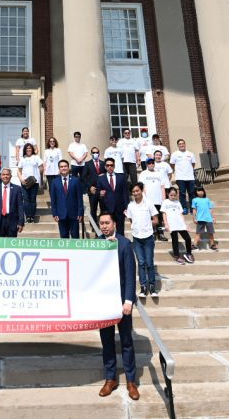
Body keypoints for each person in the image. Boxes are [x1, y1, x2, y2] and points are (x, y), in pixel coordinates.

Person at [97, 211, 139, 402]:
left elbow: (130, 274)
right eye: (101, 223)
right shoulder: (94, 244)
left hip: (122, 302)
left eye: (107, 223)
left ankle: (131, 381)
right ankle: (110, 378)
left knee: (126, 342)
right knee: (106, 342)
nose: (104, 226)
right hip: (103, 302)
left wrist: (128, 301)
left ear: (114, 224)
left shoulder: (124, 244)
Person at [125, 183, 158, 298]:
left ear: (142, 190)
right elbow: (130, 219)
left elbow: (155, 219)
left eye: (137, 190)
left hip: (148, 237)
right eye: (133, 191)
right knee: (141, 262)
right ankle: (143, 287)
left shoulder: (148, 203)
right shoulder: (130, 206)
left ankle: (153, 286)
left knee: (149, 262)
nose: (135, 193)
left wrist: (148, 223)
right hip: (137, 238)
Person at [49, 160, 85, 239]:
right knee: (64, 237)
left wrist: (80, 212)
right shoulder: (54, 182)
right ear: (59, 169)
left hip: (74, 214)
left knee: (75, 236)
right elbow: (53, 199)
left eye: (65, 166)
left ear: (68, 168)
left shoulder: (76, 180)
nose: (64, 168)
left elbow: (79, 198)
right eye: (61, 167)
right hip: (61, 214)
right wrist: (54, 213)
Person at [0, 167, 25, 238]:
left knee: (11, 244)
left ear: (11, 176)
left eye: (7, 174)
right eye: (3, 174)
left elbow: (20, 206)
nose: (5, 176)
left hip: (12, 221)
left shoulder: (17, 189)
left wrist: (21, 222)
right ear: (0, 176)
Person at [161, 187, 194, 264]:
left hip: (180, 224)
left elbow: (181, 214)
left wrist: (185, 224)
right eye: (171, 195)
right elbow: (164, 214)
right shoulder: (165, 202)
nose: (173, 197)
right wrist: (166, 224)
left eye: (174, 195)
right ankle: (177, 256)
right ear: (167, 194)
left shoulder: (178, 203)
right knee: (175, 240)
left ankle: (188, 253)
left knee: (188, 239)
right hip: (172, 224)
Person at [138, 157, 168, 242]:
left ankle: (160, 233)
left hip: (158, 200)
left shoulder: (159, 174)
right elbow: (141, 187)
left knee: (160, 218)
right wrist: (144, 198)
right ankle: (152, 233)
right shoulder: (143, 173)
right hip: (148, 200)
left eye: (152, 163)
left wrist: (164, 199)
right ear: (146, 164)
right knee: (150, 218)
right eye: (149, 163)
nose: (151, 164)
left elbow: (162, 187)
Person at [97, 158, 129, 236]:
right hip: (106, 209)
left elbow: (125, 193)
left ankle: (120, 246)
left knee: (120, 230)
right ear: (105, 167)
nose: (109, 167)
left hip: (119, 208)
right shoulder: (101, 179)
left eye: (111, 165)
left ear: (114, 166)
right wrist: (99, 193)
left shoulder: (121, 177)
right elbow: (97, 193)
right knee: (107, 230)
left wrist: (127, 207)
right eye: (107, 165)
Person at [18, 142, 43, 224]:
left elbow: (41, 168)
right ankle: (27, 216)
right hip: (24, 182)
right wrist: (21, 179)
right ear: (25, 150)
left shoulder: (36, 158)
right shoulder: (22, 159)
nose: (28, 149)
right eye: (27, 148)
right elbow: (19, 171)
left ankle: (32, 216)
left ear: (32, 149)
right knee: (26, 199)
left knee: (32, 199)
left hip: (34, 182)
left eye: (30, 148)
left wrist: (38, 178)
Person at [169, 139, 196, 215]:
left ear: (185, 144)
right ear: (178, 145)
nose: (181, 145)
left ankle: (192, 209)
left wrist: (189, 171)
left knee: (191, 193)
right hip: (180, 177)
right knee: (182, 193)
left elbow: (193, 164)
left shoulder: (190, 154)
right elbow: (172, 164)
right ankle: (184, 208)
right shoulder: (175, 154)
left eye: (182, 143)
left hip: (190, 177)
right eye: (180, 144)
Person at [83, 147, 106, 222]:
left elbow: (107, 175)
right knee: (93, 209)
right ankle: (94, 226)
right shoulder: (87, 164)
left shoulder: (103, 163)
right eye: (93, 152)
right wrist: (89, 187)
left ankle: (102, 223)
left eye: (96, 152)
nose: (95, 154)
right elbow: (84, 177)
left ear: (99, 154)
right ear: (91, 154)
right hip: (92, 190)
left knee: (103, 209)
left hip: (102, 190)